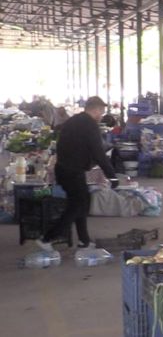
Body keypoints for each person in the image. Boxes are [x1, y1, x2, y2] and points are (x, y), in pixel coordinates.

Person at [36, 96, 118, 252]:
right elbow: (99, 153)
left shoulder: (73, 120)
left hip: (64, 168)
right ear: (96, 110)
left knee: (83, 202)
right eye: (101, 112)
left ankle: (83, 240)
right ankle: (47, 238)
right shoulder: (90, 125)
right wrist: (112, 176)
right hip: (72, 171)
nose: (101, 115)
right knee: (76, 205)